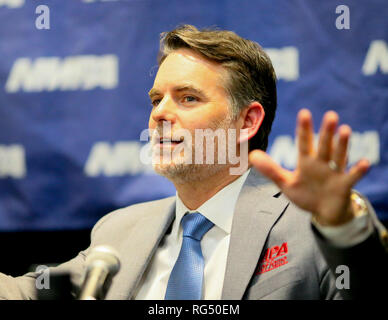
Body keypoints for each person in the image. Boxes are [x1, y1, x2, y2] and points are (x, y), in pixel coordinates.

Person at [0, 25, 387, 300]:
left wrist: (342, 227)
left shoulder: (311, 226)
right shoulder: (118, 233)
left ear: (247, 120)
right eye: (156, 100)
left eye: (187, 98)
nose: (159, 115)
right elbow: (24, 293)